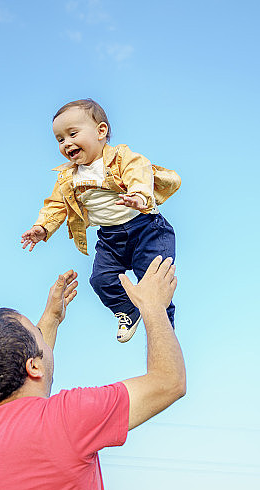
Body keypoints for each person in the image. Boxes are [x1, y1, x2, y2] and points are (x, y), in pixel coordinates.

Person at [0, 256, 185, 490]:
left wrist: (50, 320)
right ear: (33, 366)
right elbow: (169, 382)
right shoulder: (68, 418)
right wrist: (153, 306)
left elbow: (30, 389)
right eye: (37, 334)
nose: (43, 336)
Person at [20, 98, 181, 343]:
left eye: (73, 133)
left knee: (153, 282)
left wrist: (139, 195)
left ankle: (163, 328)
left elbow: (139, 170)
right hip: (110, 238)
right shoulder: (68, 177)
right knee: (100, 279)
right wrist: (42, 227)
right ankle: (128, 309)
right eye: (60, 139)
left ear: (101, 131)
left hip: (146, 228)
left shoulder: (120, 157)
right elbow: (56, 205)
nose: (67, 143)